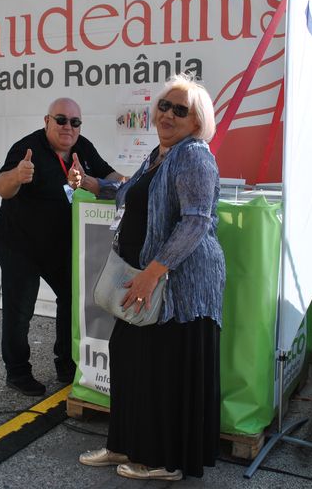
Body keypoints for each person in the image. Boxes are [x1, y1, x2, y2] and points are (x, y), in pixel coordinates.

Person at [79, 75, 226, 481]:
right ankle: (123, 443)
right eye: (164, 105)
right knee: (129, 360)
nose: (168, 115)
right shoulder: (160, 155)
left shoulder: (193, 156)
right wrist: (95, 184)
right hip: (143, 279)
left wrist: (153, 273)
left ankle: (164, 460)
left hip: (179, 286)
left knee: (164, 372)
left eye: (180, 110)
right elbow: (132, 192)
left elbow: (196, 221)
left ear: (197, 122)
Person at [0, 98, 123, 396]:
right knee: (19, 309)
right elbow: (2, 186)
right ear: (47, 121)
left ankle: (66, 363)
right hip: (19, 244)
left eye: (75, 122)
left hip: (57, 245)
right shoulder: (27, 148)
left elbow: (110, 176)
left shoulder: (83, 147)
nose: (68, 127)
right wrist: (17, 175)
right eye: (61, 120)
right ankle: (17, 372)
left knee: (72, 300)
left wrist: (134, 183)